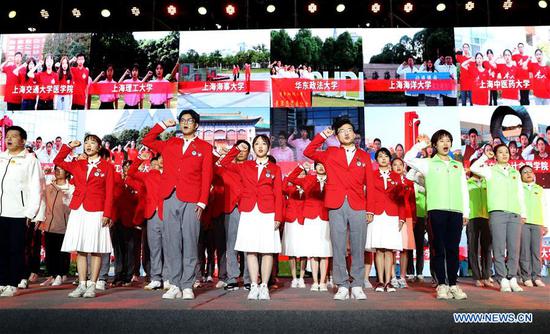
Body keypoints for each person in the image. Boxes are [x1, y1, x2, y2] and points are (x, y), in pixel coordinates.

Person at [142, 110, 213, 300]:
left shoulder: (205, 147)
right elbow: (147, 140)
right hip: (169, 196)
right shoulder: (171, 143)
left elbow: (207, 176)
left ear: (196, 125)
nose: (185, 123)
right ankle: (174, 284)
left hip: (192, 198)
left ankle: (187, 285)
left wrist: (203, 201)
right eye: (183, 120)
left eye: (190, 120)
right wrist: (163, 125)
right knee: (172, 242)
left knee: (190, 241)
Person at [304, 118, 375, 301]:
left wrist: (371, 209)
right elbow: (308, 151)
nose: (346, 133)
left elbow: (371, 185)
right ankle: (342, 285)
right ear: (337, 135)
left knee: (358, 246)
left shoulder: (364, 156)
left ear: (354, 134)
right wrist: (322, 136)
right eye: (342, 130)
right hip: (335, 204)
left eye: (349, 129)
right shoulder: (330, 152)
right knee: (338, 246)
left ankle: (358, 284)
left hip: (358, 204)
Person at [404, 131, 469, 300]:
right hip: (436, 211)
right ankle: (441, 284)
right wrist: (420, 144)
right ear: (434, 145)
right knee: (438, 248)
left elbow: (464, 189)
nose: (445, 143)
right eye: (441, 141)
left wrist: (466, 212)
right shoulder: (428, 164)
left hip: (455, 211)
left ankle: (453, 284)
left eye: (448, 140)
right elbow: (408, 158)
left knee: (453, 249)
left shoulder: (458, 166)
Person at [220, 136, 283, 300]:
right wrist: (237, 148)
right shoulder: (246, 166)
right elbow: (225, 163)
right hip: (249, 211)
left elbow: (278, 194)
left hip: (268, 212)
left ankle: (264, 286)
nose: (260, 147)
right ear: (253, 148)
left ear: (268, 147)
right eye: (257, 144)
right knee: (251, 249)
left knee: (267, 250)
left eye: (263, 144)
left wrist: (278, 216)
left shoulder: (275, 169)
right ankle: (253, 285)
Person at [54, 135, 115, 298]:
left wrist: (107, 213)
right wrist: (69, 146)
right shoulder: (78, 164)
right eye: (86, 143)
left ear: (99, 147)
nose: (88, 145)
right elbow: (58, 160)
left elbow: (110, 193)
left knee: (95, 249)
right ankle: (81, 284)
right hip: (79, 208)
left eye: (93, 143)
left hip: (97, 210)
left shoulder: (107, 167)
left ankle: (92, 285)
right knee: (80, 249)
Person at [470, 144, 526, 293]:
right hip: (497, 212)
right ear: (495, 155)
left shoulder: (515, 173)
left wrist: (523, 213)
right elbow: (474, 168)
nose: (504, 154)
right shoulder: (490, 171)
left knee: (514, 248)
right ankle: (502, 278)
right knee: (499, 247)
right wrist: (484, 157)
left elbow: (520, 194)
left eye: (506, 152)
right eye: (500, 152)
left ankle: (512, 277)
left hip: (514, 212)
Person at [0, 126, 44, 297]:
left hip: (19, 212)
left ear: (23, 141)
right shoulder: (2, 157)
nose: (9, 139)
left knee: (16, 249)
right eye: (7, 136)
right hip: (1, 211)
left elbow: (37, 188)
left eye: (13, 136)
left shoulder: (30, 160)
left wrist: (31, 212)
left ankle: (13, 283)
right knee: (1, 248)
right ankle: (2, 281)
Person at [287, 162, 332, 291]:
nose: (321, 167)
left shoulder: (332, 179)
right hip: (311, 218)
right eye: (318, 165)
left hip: (325, 217)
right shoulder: (309, 179)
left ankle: (322, 282)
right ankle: (315, 281)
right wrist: (301, 167)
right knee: (313, 251)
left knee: (324, 251)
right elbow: (291, 179)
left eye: (324, 164)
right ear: (315, 167)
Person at [365, 149, 405, 293]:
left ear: (389, 159)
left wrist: (401, 217)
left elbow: (401, 198)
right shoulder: (371, 175)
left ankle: (389, 282)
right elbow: (368, 195)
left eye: (386, 156)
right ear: (376, 159)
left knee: (389, 250)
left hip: (392, 214)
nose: (383, 159)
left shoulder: (397, 176)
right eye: (380, 156)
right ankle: (380, 282)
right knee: (379, 249)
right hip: (376, 215)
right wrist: (368, 211)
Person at [215, 141, 252, 291]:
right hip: (231, 209)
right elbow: (222, 162)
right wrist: (233, 151)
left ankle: (249, 278)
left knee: (249, 246)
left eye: (245, 149)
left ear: (250, 152)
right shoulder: (227, 167)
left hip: (248, 209)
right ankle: (232, 278)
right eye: (240, 148)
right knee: (232, 245)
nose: (242, 151)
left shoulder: (252, 167)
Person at [127, 153, 166, 290]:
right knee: (154, 248)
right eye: (159, 158)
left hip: (168, 214)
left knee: (169, 248)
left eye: (164, 158)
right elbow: (131, 172)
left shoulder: (173, 174)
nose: (162, 161)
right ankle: (155, 277)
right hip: (152, 214)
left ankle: (167, 278)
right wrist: (140, 159)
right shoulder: (150, 175)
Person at [37, 166, 74, 287]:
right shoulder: (49, 187)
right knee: (50, 251)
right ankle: (52, 275)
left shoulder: (71, 188)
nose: (58, 171)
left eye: (61, 169)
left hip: (64, 225)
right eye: (56, 169)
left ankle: (60, 274)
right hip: (49, 224)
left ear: (67, 172)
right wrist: (41, 219)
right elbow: (43, 204)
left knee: (62, 252)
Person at [519, 165, 548, 287]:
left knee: (536, 251)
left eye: (530, 171)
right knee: (524, 251)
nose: (528, 174)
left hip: (537, 222)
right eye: (525, 172)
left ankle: (536, 276)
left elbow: (545, 207)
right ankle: (526, 276)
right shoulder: (518, 189)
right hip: (523, 223)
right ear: (520, 176)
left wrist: (545, 224)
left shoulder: (539, 189)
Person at [466, 167, 492, 288]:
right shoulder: (467, 183)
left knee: (487, 247)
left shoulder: (488, 182)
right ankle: (476, 276)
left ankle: (486, 275)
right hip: (472, 217)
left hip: (487, 217)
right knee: (473, 247)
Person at [392, 158, 415, 288]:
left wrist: (414, 218)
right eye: (395, 165)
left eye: (400, 164)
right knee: (392, 248)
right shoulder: (389, 181)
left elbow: (412, 201)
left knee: (405, 249)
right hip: (393, 216)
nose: (398, 167)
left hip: (407, 217)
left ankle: (402, 276)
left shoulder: (409, 182)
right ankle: (392, 276)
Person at [281, 168, 306, 289]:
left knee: (303, 251)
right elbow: (283, 186)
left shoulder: (308, 188)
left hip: (304, 222)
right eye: (299, 174)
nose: (301, 176)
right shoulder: (290, 189)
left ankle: (301, 278)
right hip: (291, 221)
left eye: (303, 174)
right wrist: (297, 171)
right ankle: (294, 278)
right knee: (291, 251)